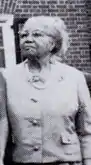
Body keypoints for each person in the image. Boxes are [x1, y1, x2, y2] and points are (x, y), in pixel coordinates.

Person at [0, 16, 91, 165]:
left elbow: (87, 130)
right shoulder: (7, 78)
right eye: (23, 35)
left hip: (67, 162)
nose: (27, 39)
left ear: (53, 43)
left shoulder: (74, 77)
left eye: (36, 34)